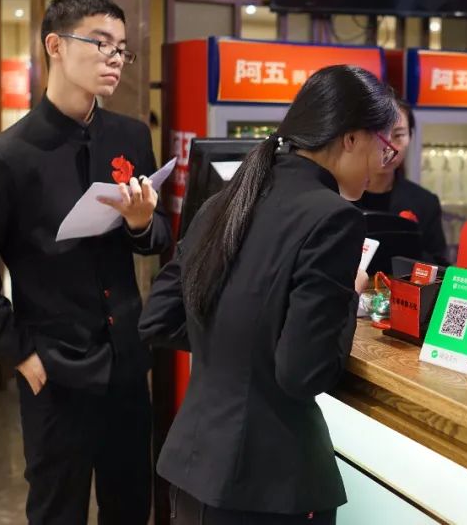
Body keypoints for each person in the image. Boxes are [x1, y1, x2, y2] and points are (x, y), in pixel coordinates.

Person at [138, 65, 398, 524]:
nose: (383, 163)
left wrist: (236, 350)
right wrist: (348, 293)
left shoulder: (227, 199)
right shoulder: (334, 218)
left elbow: (159, 316)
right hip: (269, 485)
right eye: (384, 146)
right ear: (351, 138)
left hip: (194, 467)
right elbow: (303, 373)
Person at [0, 0, 169, 523]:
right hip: (55, 368)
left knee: (130, 505)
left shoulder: (130, 136)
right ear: (55, 45)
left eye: (121, 48)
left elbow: (158, 236)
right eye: (100, 43)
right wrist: (19, 352)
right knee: (57, 511)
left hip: (126, 361)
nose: (114, 58)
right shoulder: (6, 157)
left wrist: (142, 223)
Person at [353, 100, 449, 266]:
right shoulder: (337, 196)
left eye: (398, 135)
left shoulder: (425, 202)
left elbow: (440, 267)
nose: (388, 146)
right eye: (379, 135)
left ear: (410, 137)